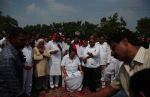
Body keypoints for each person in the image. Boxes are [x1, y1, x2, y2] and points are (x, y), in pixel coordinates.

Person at [76, 29, 150, 97]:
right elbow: (110, 89)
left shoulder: (148, 57)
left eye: (114, 48)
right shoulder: (123, 69)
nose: (112, 53)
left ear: (125, 41)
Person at [0, 27, 28, 97]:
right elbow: (14, 86)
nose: (25, 43)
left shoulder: (15, 52)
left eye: (26, 40)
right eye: (22, 40)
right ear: (11, 39)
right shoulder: (8, 57)